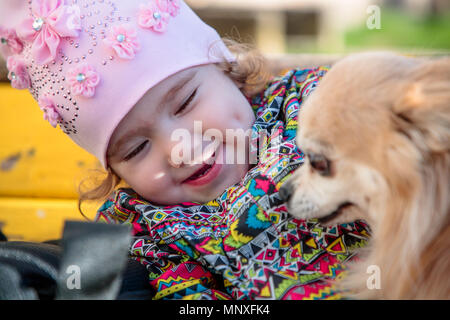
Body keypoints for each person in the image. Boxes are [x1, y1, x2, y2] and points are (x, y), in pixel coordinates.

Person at [1, 0, 369, 299]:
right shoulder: (148, 224)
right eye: (136, 149)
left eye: (185, 102)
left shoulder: (311, 108)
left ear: (225, 67)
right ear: (116, 171)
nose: (181, 149)